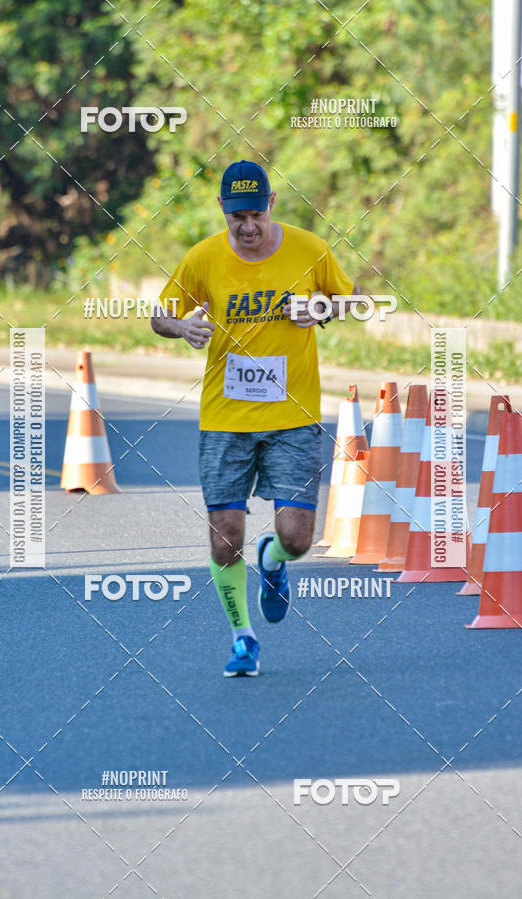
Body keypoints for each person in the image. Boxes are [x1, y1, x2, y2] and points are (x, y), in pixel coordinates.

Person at [151, 160, 358, 676]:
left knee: (297, 539)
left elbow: (353, 299)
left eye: (256, 215)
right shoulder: (203, 258)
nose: (247, 227)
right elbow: (159, 315)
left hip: (294, 416)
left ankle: (271, 561)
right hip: (225, 418)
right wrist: (183, 329)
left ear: (272, 204)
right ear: (222, 209)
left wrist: (320, 310)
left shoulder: (309, 249)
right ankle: (242, 637)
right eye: (236, 217)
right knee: (225, 535)